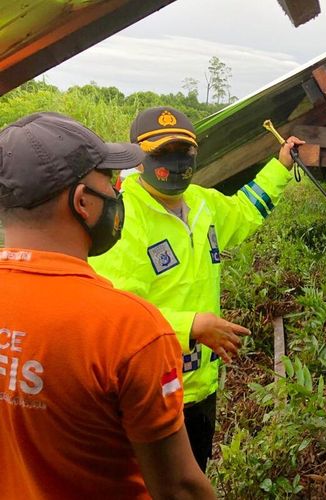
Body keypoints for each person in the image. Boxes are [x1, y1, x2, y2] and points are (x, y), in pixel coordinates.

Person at [0, 112, 215, 499]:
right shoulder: (130, 330)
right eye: (111, 181)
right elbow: (179, 488)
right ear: (83, 202)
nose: (119, 191)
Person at [90, 106, 305, 470]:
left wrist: (281, 165)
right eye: (161, 153)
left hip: (199, 389)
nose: (175, 163)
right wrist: (190, 327)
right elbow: (113, 314)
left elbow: (244, 209)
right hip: (146, 394)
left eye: (184, 152)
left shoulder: (203, 203)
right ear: (138, 158)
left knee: (194, 471)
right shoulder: (123, 218)